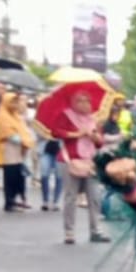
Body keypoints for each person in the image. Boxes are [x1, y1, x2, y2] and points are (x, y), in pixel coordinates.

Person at [50, 90, 110, 245]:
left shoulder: (94, 119)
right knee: (71, 197)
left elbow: (100, 142)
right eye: (79, 101)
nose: (84, 104)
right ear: (73, 102)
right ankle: (69, 232)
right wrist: (76, 133)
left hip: (90, 161)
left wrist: (95, 136)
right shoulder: (65, 115)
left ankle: (96, 230)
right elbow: (56, 132)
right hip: (71, 160)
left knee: (95, 196)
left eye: (87, 101)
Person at [0, 92, 34, 211]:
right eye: (12, 101)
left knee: (18, 176)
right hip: (8, 151)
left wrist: (25, 140)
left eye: (16, 101)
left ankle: (16, 199)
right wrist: (25, 140)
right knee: (9, 177)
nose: (15, 104)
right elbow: (9, 134)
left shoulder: (16, 116)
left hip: (18, 152)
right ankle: (9, 202)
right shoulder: (2, 116)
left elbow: (23, 130)